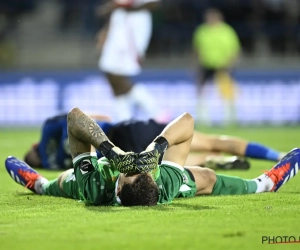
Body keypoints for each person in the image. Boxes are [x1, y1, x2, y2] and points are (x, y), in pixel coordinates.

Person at [5, 108, 300, 206]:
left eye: (129, 168)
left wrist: (108, 151)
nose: (133, 160)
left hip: (95, 169)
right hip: (148, 146)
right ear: (152, 176)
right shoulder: (165, 182)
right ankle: (266, 183)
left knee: (65, 181)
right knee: (205, 177)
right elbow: (186, 120)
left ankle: (37, 184)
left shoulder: (97, 186)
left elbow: (74, 118)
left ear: (118, 187)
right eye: (139, 166)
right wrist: (157, 149)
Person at [23, 113, 285, 171]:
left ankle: (216, 162)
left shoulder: (58, 164)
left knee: (177, 161)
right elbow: (94, 118)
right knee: (212, 140)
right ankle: (277, 155)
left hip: (124, 153)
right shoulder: (50, 128)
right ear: (35, 146)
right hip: (127, 130)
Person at [96, 0, 161, 121]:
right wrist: (105, 31)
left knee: (117, 76)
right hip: (119, 22)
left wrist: (124, 6)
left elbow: (154, 3)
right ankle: (125, 120)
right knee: (109, 72)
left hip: (133, 26)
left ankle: (155, 110)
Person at [193, 8, 241, 126]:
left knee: (226, 92)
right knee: (201, 91)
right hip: (207, 65)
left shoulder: (227, 31)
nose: (210, 19)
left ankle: (230, 119)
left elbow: (235, 50)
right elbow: (197, 50)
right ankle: (203, 119)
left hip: (223, 66)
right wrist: (196, 67)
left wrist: (230, 65)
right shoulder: (202, 31)